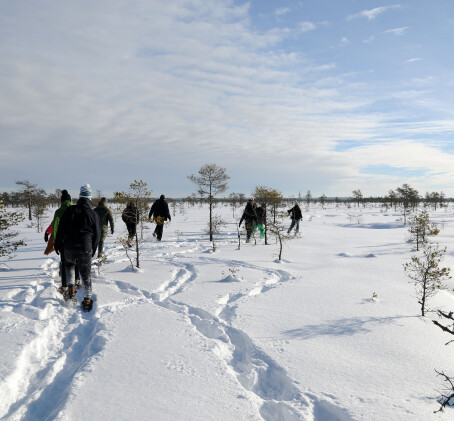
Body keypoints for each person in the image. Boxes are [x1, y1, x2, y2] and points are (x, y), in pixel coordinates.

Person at [55, 184, 101, 311]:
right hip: (85, 246)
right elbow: (97, 235)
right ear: (89, 197)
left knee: (69, 265)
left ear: (80, 196)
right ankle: (87, 300)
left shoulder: (70, 211)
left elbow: (61, 229)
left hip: (69, 245)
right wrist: (93, 249)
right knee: (85, 273)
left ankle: (71, 292)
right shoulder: (93, 214)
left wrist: (58, 244)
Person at [44, 190, 80, 293]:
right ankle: (77, 280)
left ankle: (64, 286)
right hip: (74, 241)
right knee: (76, 260)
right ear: (70, 200)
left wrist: (55, 241)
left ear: (61, 201)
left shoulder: (58, 212)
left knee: (65, 263)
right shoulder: (75, 210)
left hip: (63, 242)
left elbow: (55, 226)